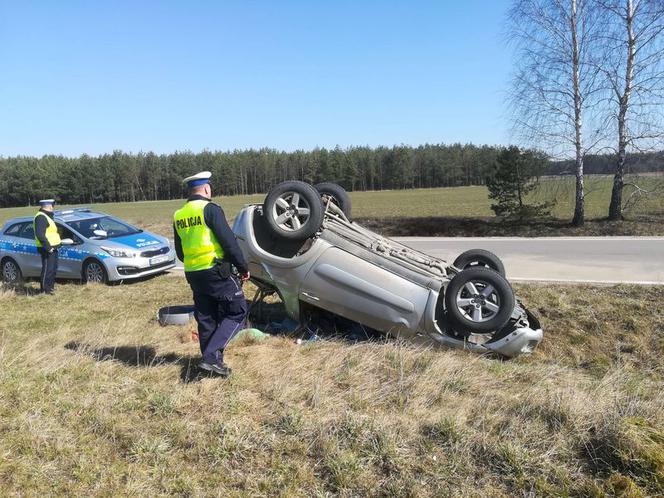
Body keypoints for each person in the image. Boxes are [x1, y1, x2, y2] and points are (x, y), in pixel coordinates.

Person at [173, 171, 250, 377]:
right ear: (207, 189)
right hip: (216, 271)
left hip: (193, 273)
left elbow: (180, 253)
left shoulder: (179, 215)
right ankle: (210, 356)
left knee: (206, 318)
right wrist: (243, 267)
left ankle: (212, 364)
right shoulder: (210, 209)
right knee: (237, 312)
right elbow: (229, 242)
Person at [33, 199, 62, 295]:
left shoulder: (46, 216)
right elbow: (40, 235)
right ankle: (45, 291)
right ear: (48, 206)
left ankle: (50, 288)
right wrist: (48, 248)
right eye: (53, 206)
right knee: (47, 270)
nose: (53, 207)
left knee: (53, 269)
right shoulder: (41, 217)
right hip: (47, 248)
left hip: (53, 247)